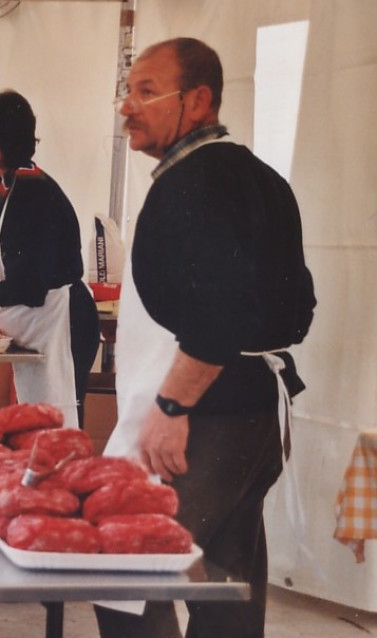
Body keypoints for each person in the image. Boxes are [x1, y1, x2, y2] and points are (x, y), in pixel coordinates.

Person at [97, 38, 315, 638]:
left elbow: (224, 311)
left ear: (198, 101)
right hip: (254, 412)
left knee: (124, 575)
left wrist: (173, 406)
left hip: (204, 417)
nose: (128, 108)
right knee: (226, 584)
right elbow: (300, 305)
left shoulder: (194, 183)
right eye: (128, 91)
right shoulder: (258, 176)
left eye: (147, 92)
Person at [0, 90, 99, 428]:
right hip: (22, 324)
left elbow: (30, 286)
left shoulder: (36, 195)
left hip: (59, 320)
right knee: (28, 426)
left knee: (52, 425)